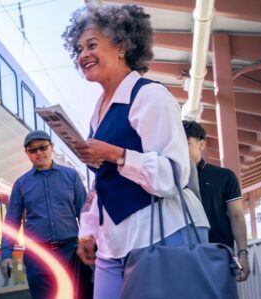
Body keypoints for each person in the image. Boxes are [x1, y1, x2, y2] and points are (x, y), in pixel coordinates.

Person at [61, 4, 211, 298]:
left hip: (162, 235)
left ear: (121, 46)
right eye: (79, 49)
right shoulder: (98, 112)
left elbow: (173, 176)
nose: (83, 55)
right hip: (114, 242)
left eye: (92, 45)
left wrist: (116, 154)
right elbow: (103, 183)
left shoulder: (150, 96)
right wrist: (89, 228)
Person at [0, 131, 92, 298]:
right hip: (37, 258)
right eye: (33, 150)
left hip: (70, 253)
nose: (39, 153)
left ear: (52, 148)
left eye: (43, 147)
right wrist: (6, 254)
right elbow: (12, 221)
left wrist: (92, 243)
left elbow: (86, 215)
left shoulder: (71, 176)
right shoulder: (21, 184)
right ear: (27, 153)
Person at [183, 120, 251, 281]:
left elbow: (237, 216)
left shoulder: (224, 176)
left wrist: (243, 254)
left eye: (186, 143)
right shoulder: (166, 179)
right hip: (182, 256)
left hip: (219, 253)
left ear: (201, 144)